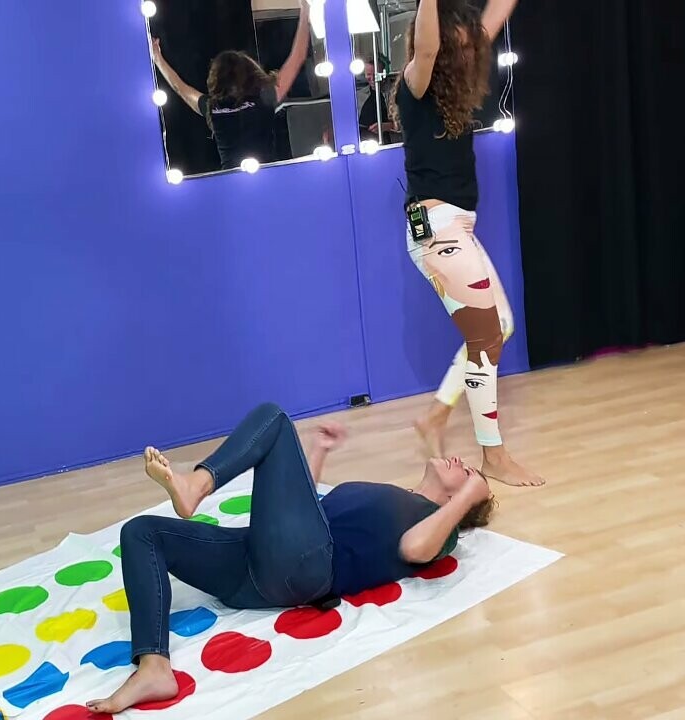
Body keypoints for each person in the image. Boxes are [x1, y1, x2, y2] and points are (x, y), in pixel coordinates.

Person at [86, 402, 494, 713]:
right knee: (141, 532)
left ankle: (197, 485)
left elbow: (415, 550)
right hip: (261, 568)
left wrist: (468, 498)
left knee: (274, 419)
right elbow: (303, 508)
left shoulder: (438, 525)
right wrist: (318, 451)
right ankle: (155, 666)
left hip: (307, 569)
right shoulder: (399, 497)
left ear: (459, 499)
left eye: (467, 472)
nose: (459, 461)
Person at [389, 0, 543, 487]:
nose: (469, 49)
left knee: (500, 325)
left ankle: (435, 417)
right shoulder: (414, 85)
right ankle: (492, 455)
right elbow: (428, 48)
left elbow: (494, 17)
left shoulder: (455, 86)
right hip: (436, 228)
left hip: (455, 227)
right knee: (485, 337)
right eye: (459, 42)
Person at [150, 2, 311, 170]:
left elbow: (179, 87)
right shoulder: (265, 98)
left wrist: (158, 58)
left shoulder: (212, 107)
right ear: (251, 72)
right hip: (265, 177)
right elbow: (298, 56)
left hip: (228, 181)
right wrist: (305, 10)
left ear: (216, 79)